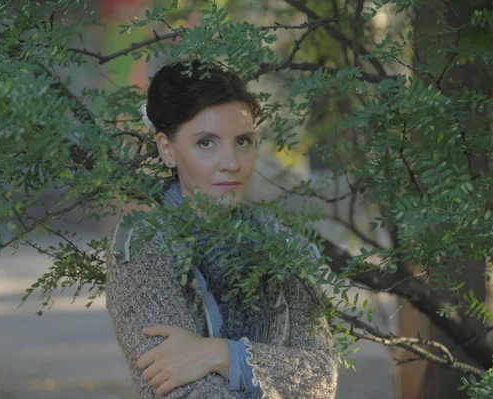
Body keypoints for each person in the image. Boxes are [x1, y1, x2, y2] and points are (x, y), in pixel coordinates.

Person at [105, 60, 338, 398]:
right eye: (206, 143)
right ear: (167, 149)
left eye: (243, 141)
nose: (232, 162)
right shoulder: (142, 246)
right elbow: (179, 390)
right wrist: (271, 369)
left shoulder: (284, 245)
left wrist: (219, 353)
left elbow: (321, 379)